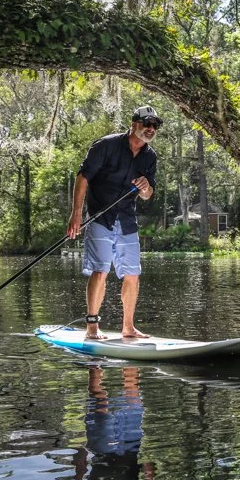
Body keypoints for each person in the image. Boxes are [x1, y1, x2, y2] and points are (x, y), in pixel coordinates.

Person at [67, 105, 161, 340]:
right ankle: (92, 327)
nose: (150, 129)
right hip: (100, 216)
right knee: (100, 270)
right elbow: (83, 176)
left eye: (155, 125)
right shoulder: (106, 145)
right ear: (134, 123)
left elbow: (148, 194)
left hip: (127, 221)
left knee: (132, 274)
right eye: (146, 123)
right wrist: (77, 213)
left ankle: (128, 328)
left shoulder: (150, 157)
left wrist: (145, 187)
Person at [74, 365, 162, 480]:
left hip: (102, 452)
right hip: (130, 448)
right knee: (132, 394)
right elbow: (150, 471)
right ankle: (131, 356)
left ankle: (95, 362)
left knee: (98, 400)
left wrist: (81, 463)